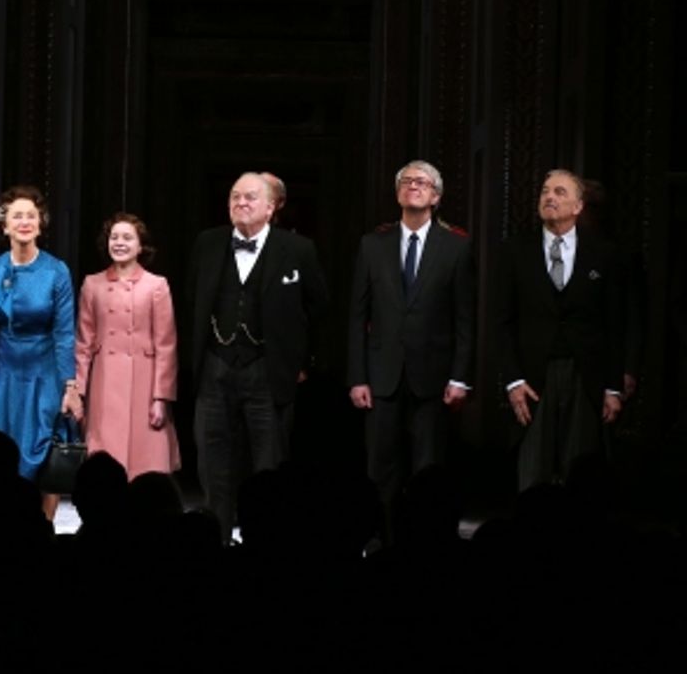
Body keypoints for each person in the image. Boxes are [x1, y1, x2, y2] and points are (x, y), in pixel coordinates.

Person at [184, 171, 329, 540]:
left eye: (250, 197)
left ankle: (265, 544)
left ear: (270, 207)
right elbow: (191, 301)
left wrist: (304, 362)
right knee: (213, 461)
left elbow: (319, 310)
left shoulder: (298, 249)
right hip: (215, 367)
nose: (241, 203)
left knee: (269, 465)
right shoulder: (207, 243)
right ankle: (215, 541)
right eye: (235, 196)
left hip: (269, 369)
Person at [347, 160, 474, 537]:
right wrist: (358, 377)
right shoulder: (373, 245)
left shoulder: (456, 247)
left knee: (427, 471)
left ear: (436, 196)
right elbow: (357, 316)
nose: (412, 186)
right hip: (382, 377)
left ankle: (426, 544)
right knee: (380, 469)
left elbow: (465, 318)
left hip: (433, 377)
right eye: (406, 181)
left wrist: (461, 377)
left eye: (422, 182)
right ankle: (380, 540)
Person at [496, 168, 624, 490]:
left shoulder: (603, 254)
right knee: (533, 474)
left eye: (559, 192)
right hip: (532, 377)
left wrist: (613, 386)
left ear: (578, 206)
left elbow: (615, 324)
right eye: (545, 191)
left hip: (585, 375)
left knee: (579, 474)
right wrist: (513, 380)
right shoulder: (515, 251)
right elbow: (502, 322)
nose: (549, 197)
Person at [0, 185, 76, 519]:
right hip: (2, 371)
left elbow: (64, 333)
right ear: (5, 226)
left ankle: (43, 530)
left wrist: (70, 386)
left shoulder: (57, 271)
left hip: (44, 372)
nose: (25, 222)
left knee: (44, 451)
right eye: (17, 216)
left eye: (31, 216)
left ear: (41, 224)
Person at [73, 212, 180, 480]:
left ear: (140, 246)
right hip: (104, 382)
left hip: (144, 383)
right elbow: (84, 343)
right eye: (114, 237)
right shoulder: (93, 284)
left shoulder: (156, 285)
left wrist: (161, 398)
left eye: (127, 238)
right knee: (105, 462)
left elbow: (166, 345)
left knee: (146, 465)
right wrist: (78, 392)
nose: (119, 243)